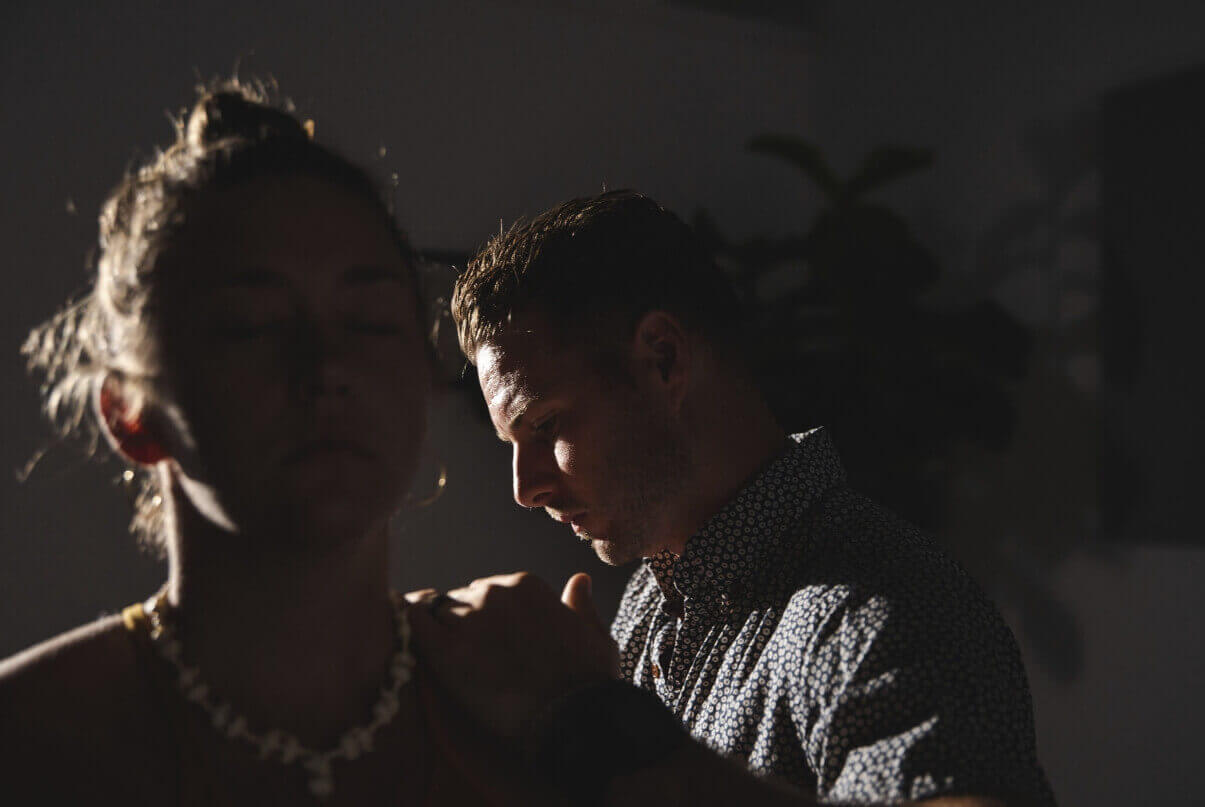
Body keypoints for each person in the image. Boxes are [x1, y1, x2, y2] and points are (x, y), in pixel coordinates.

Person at [0, 81, 560, 805]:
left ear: (423, 375)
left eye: (367, 320)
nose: (325, 369)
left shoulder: (538, 721)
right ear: (129, 412)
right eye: (248, 326)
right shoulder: (33, 742)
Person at [409, 190, 1057, 806]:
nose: (525, 488)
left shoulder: (880, 608)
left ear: (662, 359)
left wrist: (592, 717)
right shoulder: (649, 598)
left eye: (544, 426)